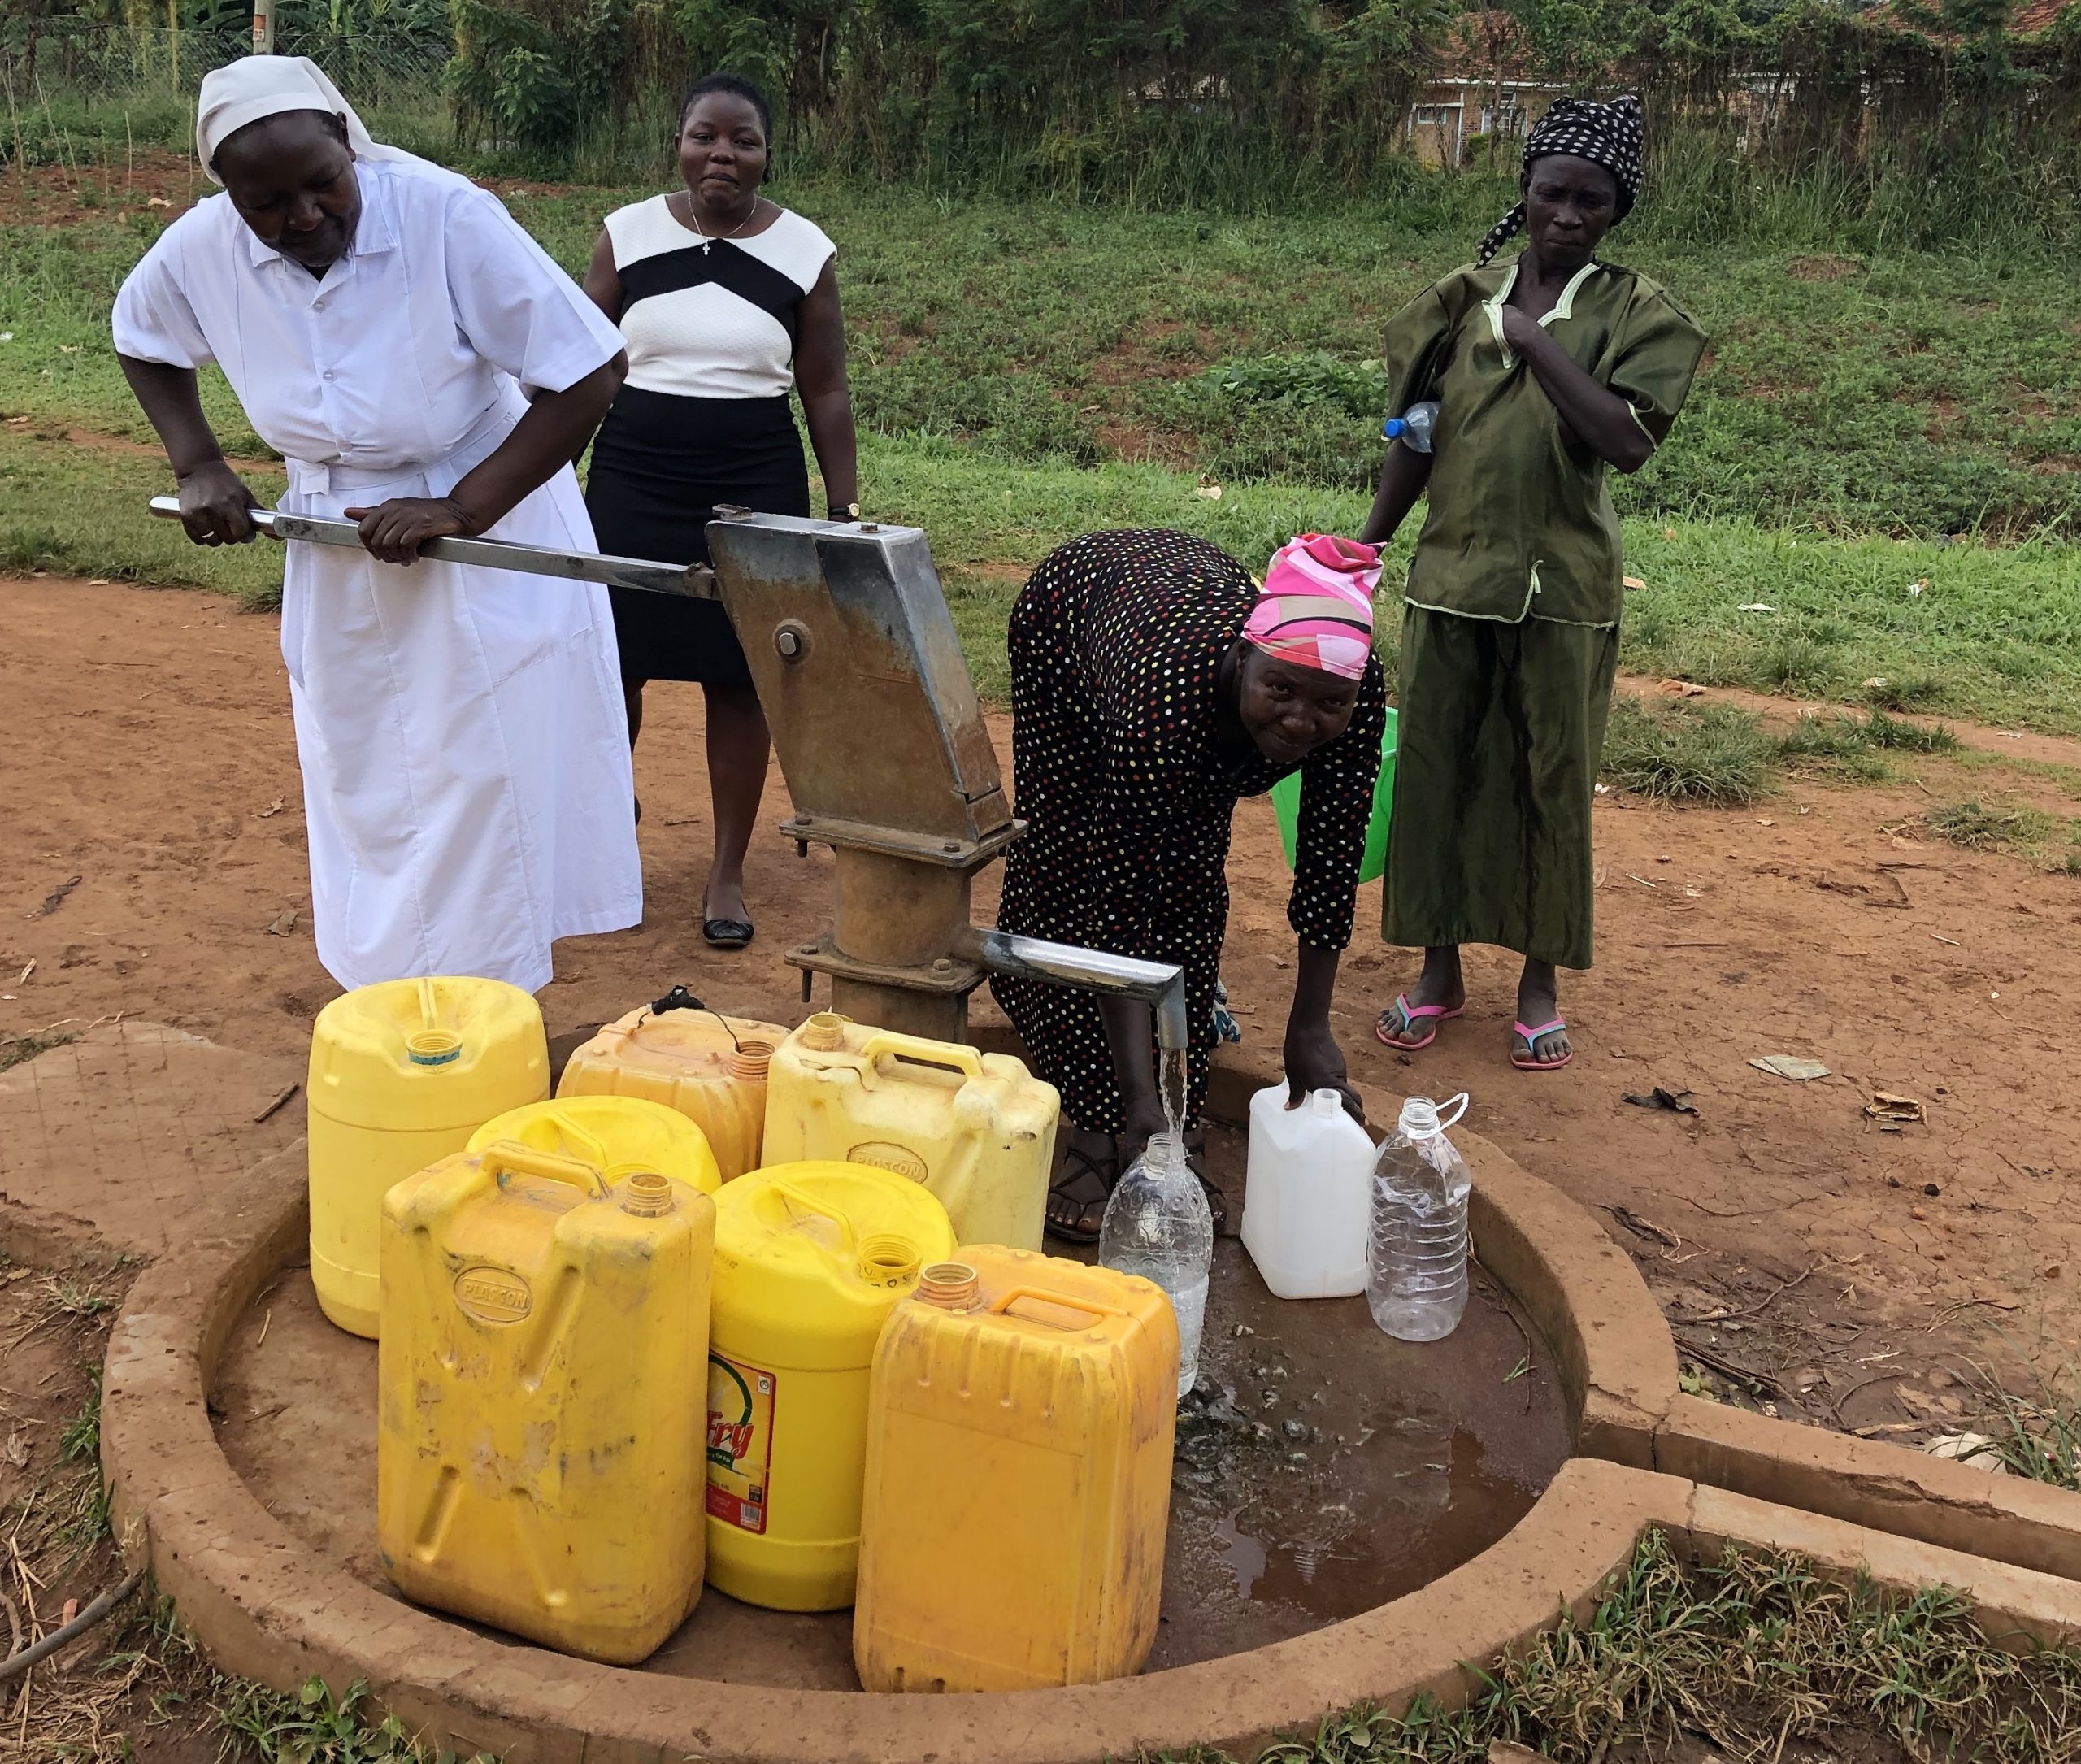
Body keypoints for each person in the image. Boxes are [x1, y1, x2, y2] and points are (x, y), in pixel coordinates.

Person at [111, 56, 641, 995]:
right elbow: (142, 333)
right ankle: (395, 998)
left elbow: (588, 371)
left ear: (351, 145)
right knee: (368, 775)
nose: (305, 217)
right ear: (227, 193)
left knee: (482, 774)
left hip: (487, 528)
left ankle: (483, 1012)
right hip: (336, 530)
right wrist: (197, 463)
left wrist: (462, 505)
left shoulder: (445, 216)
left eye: (323, 184)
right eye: (267, 203)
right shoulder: (202, 247)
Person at [1360, 93, 1706, 1072]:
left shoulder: (1639, 313)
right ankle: (1438, 971)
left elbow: (1626, 441)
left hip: (1565, 593)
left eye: (1589, 201)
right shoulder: (1453, 301)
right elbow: (1415, 438)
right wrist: (1368, 543)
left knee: (1550, 783)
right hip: (1449, 581)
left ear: (1613, 210)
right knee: (1435, 775)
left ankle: (1538, 981)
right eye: (1551, 193)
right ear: (1524, 190)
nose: (1566, 214)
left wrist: (1534, 338)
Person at [991, 530, 1388, 1242]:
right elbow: (1117, 909)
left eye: (1328, 703)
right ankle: (1098, 1118)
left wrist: (1310, 1029)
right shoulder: (1165, 706)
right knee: (1072, 856)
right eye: (1281, 690)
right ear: (1243, 657)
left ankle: (1176, 1116)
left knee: (1189, 881)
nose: (1302, 721)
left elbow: (1332, 858)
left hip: (1178, 622)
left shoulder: (1352, 693)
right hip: (1075, 619)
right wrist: (1131, 1103)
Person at [580, 72, 858, 952]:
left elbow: (824, 387)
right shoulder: (626, 234)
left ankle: (726, 872)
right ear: (678, 141)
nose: (722, 155)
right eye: (706, 135)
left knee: (739, 680)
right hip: (632, 475)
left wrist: (842, 507)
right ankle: (599, 845)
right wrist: (544, 476)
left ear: (767, 153)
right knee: (611, 665)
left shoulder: (804, 251)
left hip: (752, 481)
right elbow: (584, 365)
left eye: (743, 140)